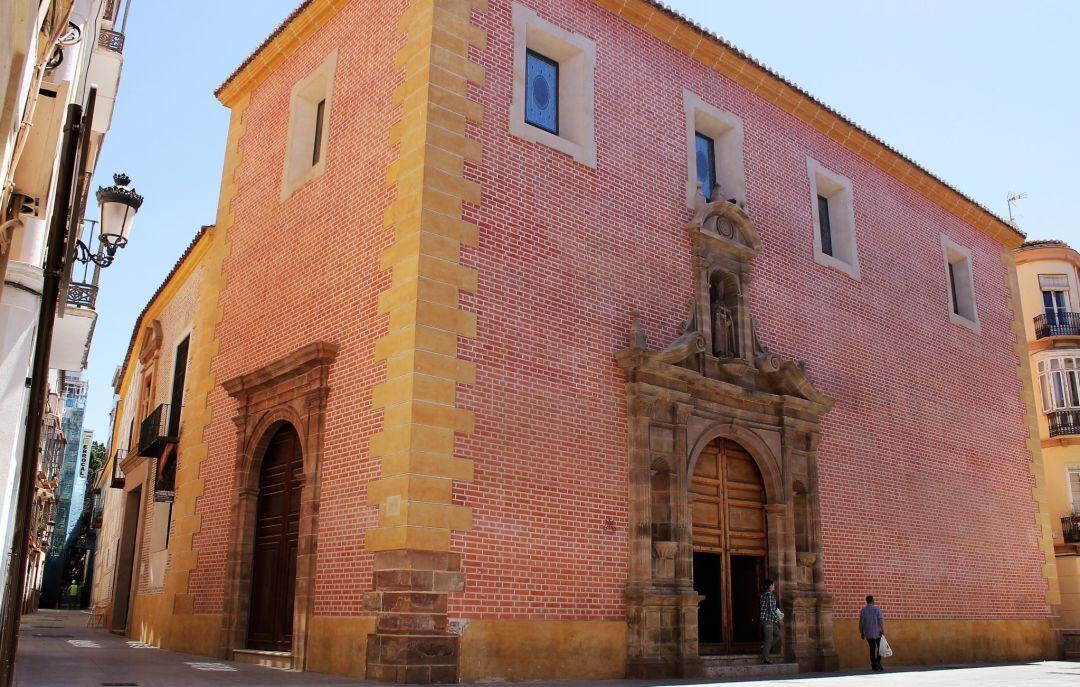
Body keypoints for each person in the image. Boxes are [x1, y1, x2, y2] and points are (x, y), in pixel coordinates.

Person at [859, 594, 885, 672]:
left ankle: (874, 665)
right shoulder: (877, 609)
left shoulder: (863, 610)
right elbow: (880, 620)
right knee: (880, 648)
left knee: (872, 649)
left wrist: (862, 632)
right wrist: (882, 629)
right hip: (877, 632)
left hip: (868, 633)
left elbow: (861, 622)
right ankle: (877, 662)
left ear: (867, 601)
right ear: (873, 601)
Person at [759, 579, 782, 664]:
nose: (774, 586)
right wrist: (779, 618)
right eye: (773, 585)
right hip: (767, 619)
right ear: (770, 586)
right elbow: (771, 608)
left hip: (771, 619)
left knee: (778, 635)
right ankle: (765, 658)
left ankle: (765, 648)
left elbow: (774, 608)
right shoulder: (768, 594)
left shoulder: (770, 594)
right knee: (769, 638)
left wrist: (779, 615)